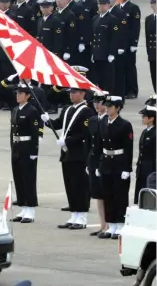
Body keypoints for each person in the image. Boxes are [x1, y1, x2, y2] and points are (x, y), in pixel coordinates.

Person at [41, 87, 94, 229]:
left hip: (79, 153)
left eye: (75, 92)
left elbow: (86, 133)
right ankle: (74, 215)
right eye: (70, 92)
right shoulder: (67, 109)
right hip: (67, 153)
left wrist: (68, 141)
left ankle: (81, 217)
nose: (71, 95)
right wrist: (47, 121)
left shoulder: (87, 111)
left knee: (80, 185)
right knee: (70, 184)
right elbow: (59, 124)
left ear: (83, 94)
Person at [94, 96, 133, 239]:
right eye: (107, 106)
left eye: (111, 106)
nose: (107, 108)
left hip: (119, 162)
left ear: (118, 108)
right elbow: (99, 144)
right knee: (107, 194)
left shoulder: (124, 125)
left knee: (119, 195)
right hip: (106, 162)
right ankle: (111, 225)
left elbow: (128, 148)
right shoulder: (103, 122)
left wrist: (127, 168)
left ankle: (121, 225)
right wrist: (98, 164)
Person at [10, 82, 41, 223]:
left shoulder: (32, 110)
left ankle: (30, 209)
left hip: (27, 147)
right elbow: (13, 131)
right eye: (17, 93)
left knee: (28, 179)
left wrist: (34, 151)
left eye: (20, 93)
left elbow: (35, 133)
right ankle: (23, 207)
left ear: (27, 95)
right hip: (16, 147)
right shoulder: (16, 109)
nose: (17, 96)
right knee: (19, 178)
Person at [86, 90, 109, 236]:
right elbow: (89, 143)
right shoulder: (93, 120)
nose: (96, 104)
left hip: (106, 161)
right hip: (94, 160)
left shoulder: (109, 120)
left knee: (107, 194)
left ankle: (109, 224)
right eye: (94, 102)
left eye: (99, 102)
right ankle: (102, 224)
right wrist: (89, 163)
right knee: (98, 195)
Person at [117, 0, 141, 99]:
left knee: (130, 67)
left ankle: (132, 90)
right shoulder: (118, 8)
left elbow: (135, 27)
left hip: (129, 43)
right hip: (120, 44)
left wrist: (134, 43)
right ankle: (125, 89)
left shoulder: (133, 8)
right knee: (121, 67)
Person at [91, 0, 119, 93]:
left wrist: (112, 53)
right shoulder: (95, 18)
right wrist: (92, 52)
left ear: (108, 5)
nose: (102, 6)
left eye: (104, 4)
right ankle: (101, 94)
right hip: (97, 53)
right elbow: (93, 36)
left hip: (106, 53)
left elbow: (114, 38)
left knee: (107, 77)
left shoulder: (112, 19)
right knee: (98, 76)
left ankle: (108, 94)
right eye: (100, 4)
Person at [134, 105, 156, 204]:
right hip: (142, 167)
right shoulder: (145, 131)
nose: (142, 118)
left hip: (151, 169)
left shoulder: (155, 134)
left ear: (151, 118)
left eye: (144, 116)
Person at [145, 0, 156, 92]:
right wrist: (149, 52)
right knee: (154, 74)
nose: (155, 5)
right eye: (153, 3)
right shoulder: (149, 19)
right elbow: (148, 37)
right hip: (153, 52)